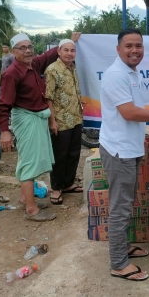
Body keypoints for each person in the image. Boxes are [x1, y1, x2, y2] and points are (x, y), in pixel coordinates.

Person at [99, 28, 149, 282]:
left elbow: (134, 112)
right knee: (120, 207)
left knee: (126, 201)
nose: (135, 50)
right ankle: (119, 263)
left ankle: (122, 248)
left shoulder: (131, 72)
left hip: (128, 146)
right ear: (118, 49)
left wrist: (142, 137)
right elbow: (129, 113)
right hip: (119, 150)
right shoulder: (115, 75)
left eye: (139, 46)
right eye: (129, 46)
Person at [0, 32, 80, 222]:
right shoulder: (12, 74)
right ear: (14, 52)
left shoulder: (33, 64)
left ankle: (26, 198)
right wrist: (4, 131)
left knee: (31, 159)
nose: (28, 51)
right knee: (30, 162)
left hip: (37, 117)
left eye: (30, 47)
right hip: (26, 119)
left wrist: (71, 41)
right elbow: (2, 105)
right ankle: (32, 210)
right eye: (22, 48)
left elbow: (49, 55)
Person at [45, 39, 83, 205]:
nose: (69, 53)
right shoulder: (52, 70)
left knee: (74, 153)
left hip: (75, 118)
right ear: (59, 52)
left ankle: (68, 183)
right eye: (66, 50)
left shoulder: (73, 68)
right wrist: (52, 121)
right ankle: (56, 188)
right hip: (60, 121)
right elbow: (48, 97)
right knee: (59, 155)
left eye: (72, 50)